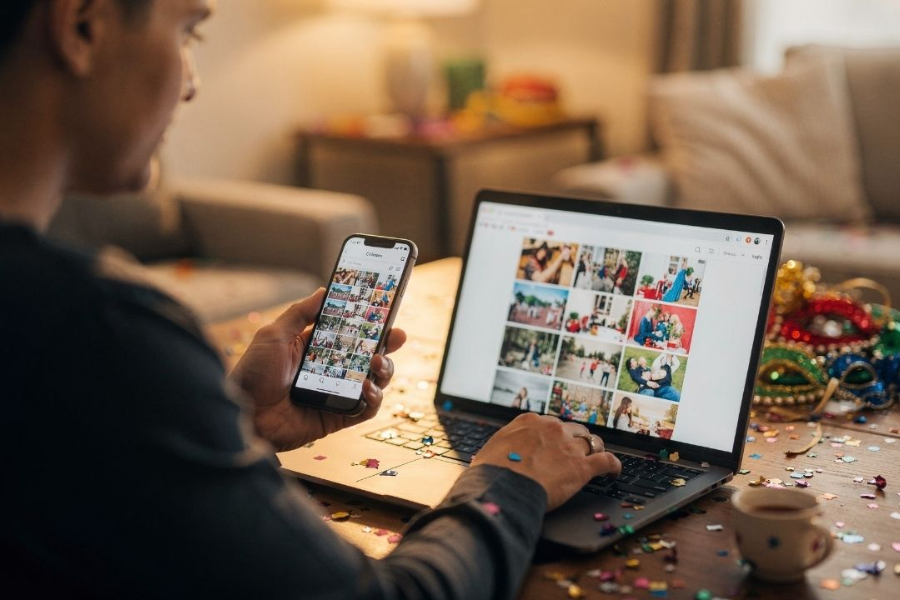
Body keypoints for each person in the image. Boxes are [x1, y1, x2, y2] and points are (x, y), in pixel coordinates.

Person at [0, 2, 622, 597]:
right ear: (82, 24)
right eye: (189, 32)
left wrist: (233, 423)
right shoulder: (100, 331)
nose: (190, 83)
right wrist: (509, 478)